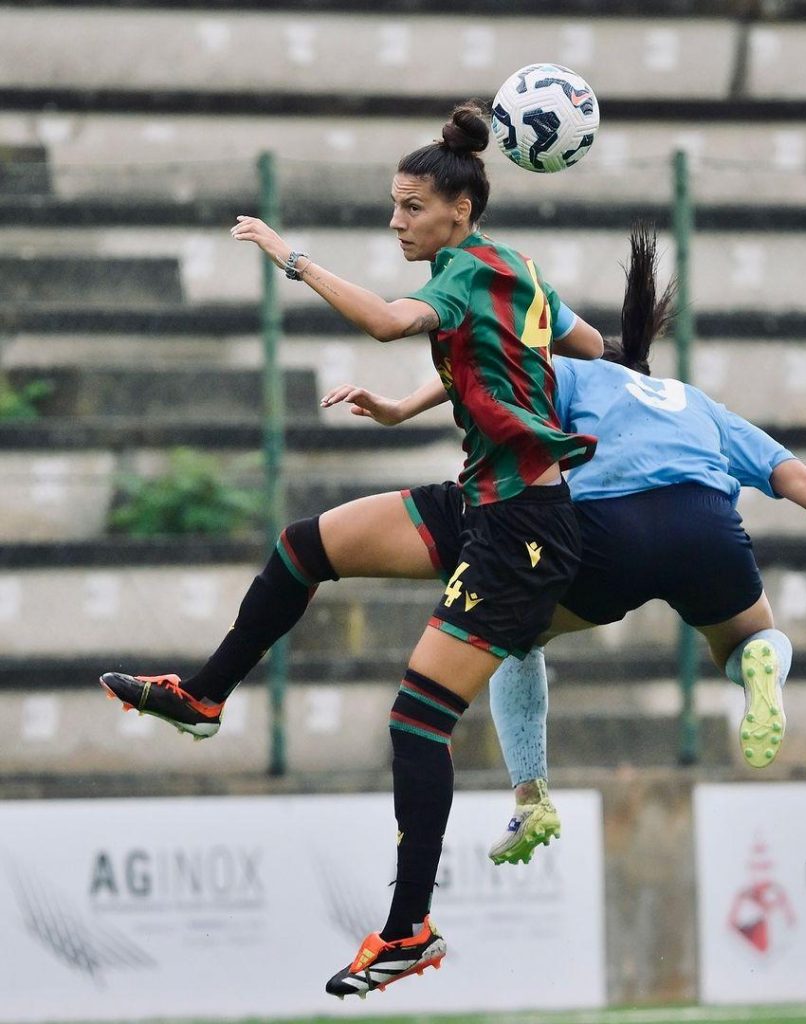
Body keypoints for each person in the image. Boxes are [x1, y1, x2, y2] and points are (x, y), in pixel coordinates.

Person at [98, 101, 605, 999]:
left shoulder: (456, 275)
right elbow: (588, 346)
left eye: (411, 207)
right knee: (304, 547)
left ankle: (408, 930)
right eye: (395, 205)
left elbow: (383, 320)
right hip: (484, 501)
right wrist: (414, 406)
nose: (397, 221)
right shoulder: (514, 270)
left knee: (417, 719)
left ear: (459, 208)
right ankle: (205, 697)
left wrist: (290, 257)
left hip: (523, 529)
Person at [335, 222, 806, 868]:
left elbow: (489, 374)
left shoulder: (578, 376)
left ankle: (531, 793)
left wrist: (397, 408)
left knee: (515, 636)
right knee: (748, 639)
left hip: (610, 531)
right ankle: (761, 669)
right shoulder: (697, 404)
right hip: (706, 528)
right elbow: (802, 481)